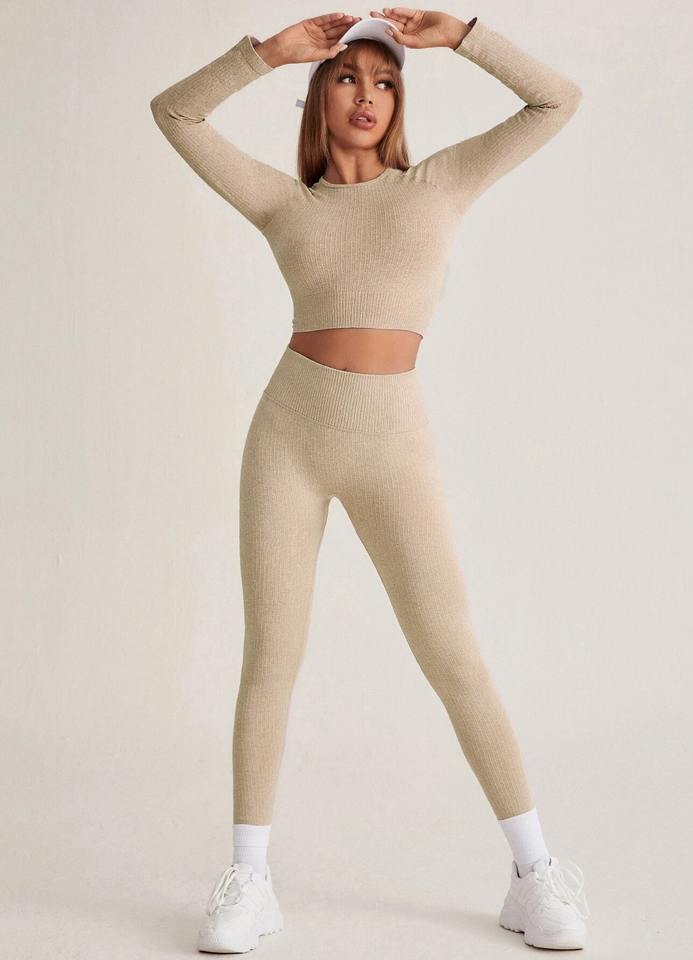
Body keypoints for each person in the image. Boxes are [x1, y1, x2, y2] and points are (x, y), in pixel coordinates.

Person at [150, 7, 590, 953]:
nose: (367, 95)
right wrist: (268, 54)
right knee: (272, 655)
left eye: (385, 82)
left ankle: (534, 873)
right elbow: (173, 113)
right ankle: (250, 880)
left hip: (394, 440)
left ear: (399, 103)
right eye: (347, 78)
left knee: (452, 655)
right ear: (318, 96)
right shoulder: (283, 203)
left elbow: (556, 100)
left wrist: (462, 37)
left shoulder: (440, 182)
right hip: (289, 434)